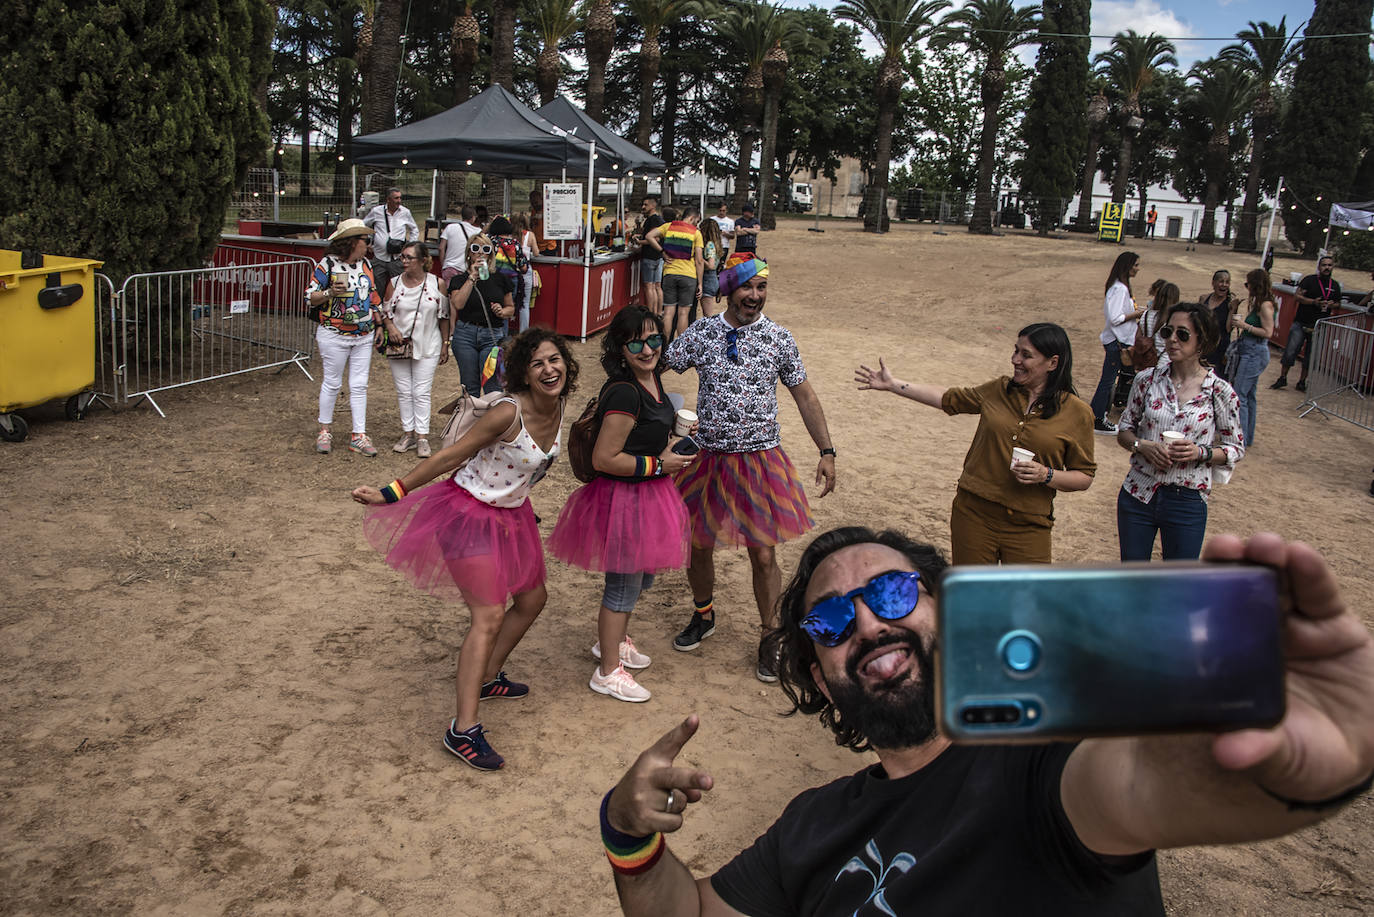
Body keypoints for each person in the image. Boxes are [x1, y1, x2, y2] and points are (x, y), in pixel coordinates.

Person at [598, 525, 1374, 915]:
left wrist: (1286, 765)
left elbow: (1144, 784)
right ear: (819, 679)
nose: (867, 624)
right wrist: (628, 837)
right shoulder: (811, 824)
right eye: (831, 622)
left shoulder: (1041, 760)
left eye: (896, 594)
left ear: (951, 611)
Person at [351, 328, 577, 771]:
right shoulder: (507, 414)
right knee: (488, 615)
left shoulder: (560, 403)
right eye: (538, 364)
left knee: (533, 598)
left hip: (511, 513)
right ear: (523, 376)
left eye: (554, 360)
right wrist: (391, 490)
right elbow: (448, 457)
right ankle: (463, 729)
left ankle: (488, 676)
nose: (549, 370)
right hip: (468, 514)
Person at [663, 253, 837, 681]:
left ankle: (770, 635)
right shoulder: (702, 333)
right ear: (728, 291)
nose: (754, 296)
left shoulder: (779, 338)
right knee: (697, 544)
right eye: (746, 288)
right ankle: (703, 615)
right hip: (705, 458)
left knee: (763, 554)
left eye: (761, 288)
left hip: (760, 460)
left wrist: (827, 450)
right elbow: (657, 366)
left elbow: (805, 397)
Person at [547, 307, 695, 704]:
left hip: (647, 493)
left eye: (653, 340)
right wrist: (660, 463)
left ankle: (612, 642)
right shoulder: (625, 391)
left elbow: (643, 440)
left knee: (639, 579)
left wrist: (671, 444)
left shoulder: (653, 380)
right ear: (620, 348)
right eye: (635, 342)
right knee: (622, 586)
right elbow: (604, 458)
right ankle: (608, 671)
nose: (646, 349)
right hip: (625, 500)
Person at [854, 322, 1095, 564]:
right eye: (1015, 351)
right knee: (972, 597)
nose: (1015, 360)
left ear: (1053, 363)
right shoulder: (1000, 389)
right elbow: (949, 399)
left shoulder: (1077, 413)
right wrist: (894, 385)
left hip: (1030, 524)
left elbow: (1084, 476)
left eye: (1026, 355)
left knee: (1025, 599)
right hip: (973, 514)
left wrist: (1046, 474)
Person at [1115, 302, 1244, 561]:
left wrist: (1200, 452)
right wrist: (1143, 446)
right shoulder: (1147, 380)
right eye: (1167, 332)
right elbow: (1124, 430)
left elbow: (1235, 449)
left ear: (1202, 341)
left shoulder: (1219, 391)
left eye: (1182, 334)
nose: (1172, 340)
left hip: (1186, 500)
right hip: (1138, 492)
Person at [304, 218, 383, 457]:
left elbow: (373, 295)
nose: (367, 244)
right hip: (334, 333)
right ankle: (324, 429)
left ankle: (359, 434)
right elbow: (310, 296)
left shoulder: (366, 264)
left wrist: (379, 324)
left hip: (364, 334)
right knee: (333, 382)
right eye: (364, 240)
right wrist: (329, 293)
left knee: (359, 385)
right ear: (351, 242)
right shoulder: (327, 264)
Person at [380, 241, 450, 459]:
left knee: (421, 391)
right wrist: (390, 327)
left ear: (422, 260)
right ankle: (407, 433)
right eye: (402, 257)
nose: (404, 261)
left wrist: (446, 344)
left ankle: (422, 436)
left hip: (428, 343)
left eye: (409, 257)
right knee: (403, 390)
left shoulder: (436, 283)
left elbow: (444, 315)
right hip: (399, 344)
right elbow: (384, 310)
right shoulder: (394, 283)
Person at [448, 233, 515, 397]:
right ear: (469, 253)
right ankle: (471, 422)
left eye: (485, 249)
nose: (480, 253)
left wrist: (502, 311)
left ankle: (493, 422)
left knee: (493, 387)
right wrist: (472, 278)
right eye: (475, 248)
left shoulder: (500, 279)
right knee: (469, 387)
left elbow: (510, 308)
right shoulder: (459, 280)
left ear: (490, 254)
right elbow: (458, 304)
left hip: (491, 336)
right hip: (465, 335)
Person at [1088, 251, 1146, 433]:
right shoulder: (1119, 288)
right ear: (1127, 266)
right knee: (1108, 381)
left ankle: (1098, 415)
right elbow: (1115, 318)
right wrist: (1136, 314)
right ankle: (1097, 418)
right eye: (1136, 265)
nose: (1138, 269)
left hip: (1118, 340)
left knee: (1110, 379)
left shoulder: (1120, 287)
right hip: (1116, 341)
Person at [1272, 255, 1342, 393]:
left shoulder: (1334, 285)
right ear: (1319, 267)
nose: (1327, 268)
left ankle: (1302, 382)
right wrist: (1313, 302)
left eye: (1329, 265)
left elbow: (1338, 303)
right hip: (1301, 322)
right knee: (1290, 351)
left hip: (1319, 326)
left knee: (1311, 356)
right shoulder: (1309, 280)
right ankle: (1282, 377)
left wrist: (1331, 304)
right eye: (1324, 265)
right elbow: (1297, 296)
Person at [1226, 268, 1276, 447]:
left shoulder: (1265, 305)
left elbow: (1268, 332)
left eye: (1248, 284)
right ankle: (1247, 437)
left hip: (1254, 351)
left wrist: (1244, 326)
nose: (1247, 288)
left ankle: (1241, 437)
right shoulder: (1259, 303)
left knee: (1240, 394)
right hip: (1250, 350)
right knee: (1249, 395)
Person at [646, 206, 703, 342]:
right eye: (697, 221)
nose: (697, 224)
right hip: (688, 275)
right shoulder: (696, 233)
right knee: (683, 313)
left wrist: (662, 252)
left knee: (668, 313)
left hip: (670, 273)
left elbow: (649, 236)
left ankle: (665, 345)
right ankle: (680, 348)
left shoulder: (668, 227)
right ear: (692, 218)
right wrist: (700, 283)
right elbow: (699, 260)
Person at [362, 188, 417, 295]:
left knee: (399, 288)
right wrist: (367, 241)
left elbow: (414, 229)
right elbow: (364, 225)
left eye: (400, 198)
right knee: (377, 289)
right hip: (379, 257)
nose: (399, 200)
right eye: (396, 198)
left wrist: (411, 246)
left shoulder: (405, 212)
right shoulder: (377, 211)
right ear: (388, 199)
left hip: (397, 258)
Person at [631, 197, 665, 317]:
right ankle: (658, 312)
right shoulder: (658, 220)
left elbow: (655, 239)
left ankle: (652, 313)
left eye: (645, 205)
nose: (643, 207)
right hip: (659, 257)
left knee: (649, 286)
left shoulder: (653, 220)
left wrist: (640, 242)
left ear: (652, 206)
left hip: (650, 256)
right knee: (657, 286)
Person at [1199, 269, 1238, 371]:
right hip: (1203, 346)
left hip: (1220, 349)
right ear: (1213, 283)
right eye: (1221, 281)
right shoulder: (1203, 299)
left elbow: (1229, 329)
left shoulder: (1230, 303)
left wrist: (1233, 309)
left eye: (1227, 282)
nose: (1224, 285)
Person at [437, 205, 482, 283]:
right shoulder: (477, 231)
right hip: (465, 269)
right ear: (473, 217)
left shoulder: (450, 227)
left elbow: (441, 248)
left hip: (449, 267)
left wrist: (444, 265)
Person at [512, 211, 540, 332]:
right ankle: (523, 332)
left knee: (508, 301)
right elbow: (536, 253)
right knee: (525, 304)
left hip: (511, 270)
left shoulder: (509, 235)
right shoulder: (530, 235)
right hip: (525, 270)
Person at [698, 217, 723, 319]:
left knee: (708, 316)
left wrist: (699, 257)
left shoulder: (709, 245)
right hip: (712, 279)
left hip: (707, 278)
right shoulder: (715, 245)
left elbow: (711, 265)